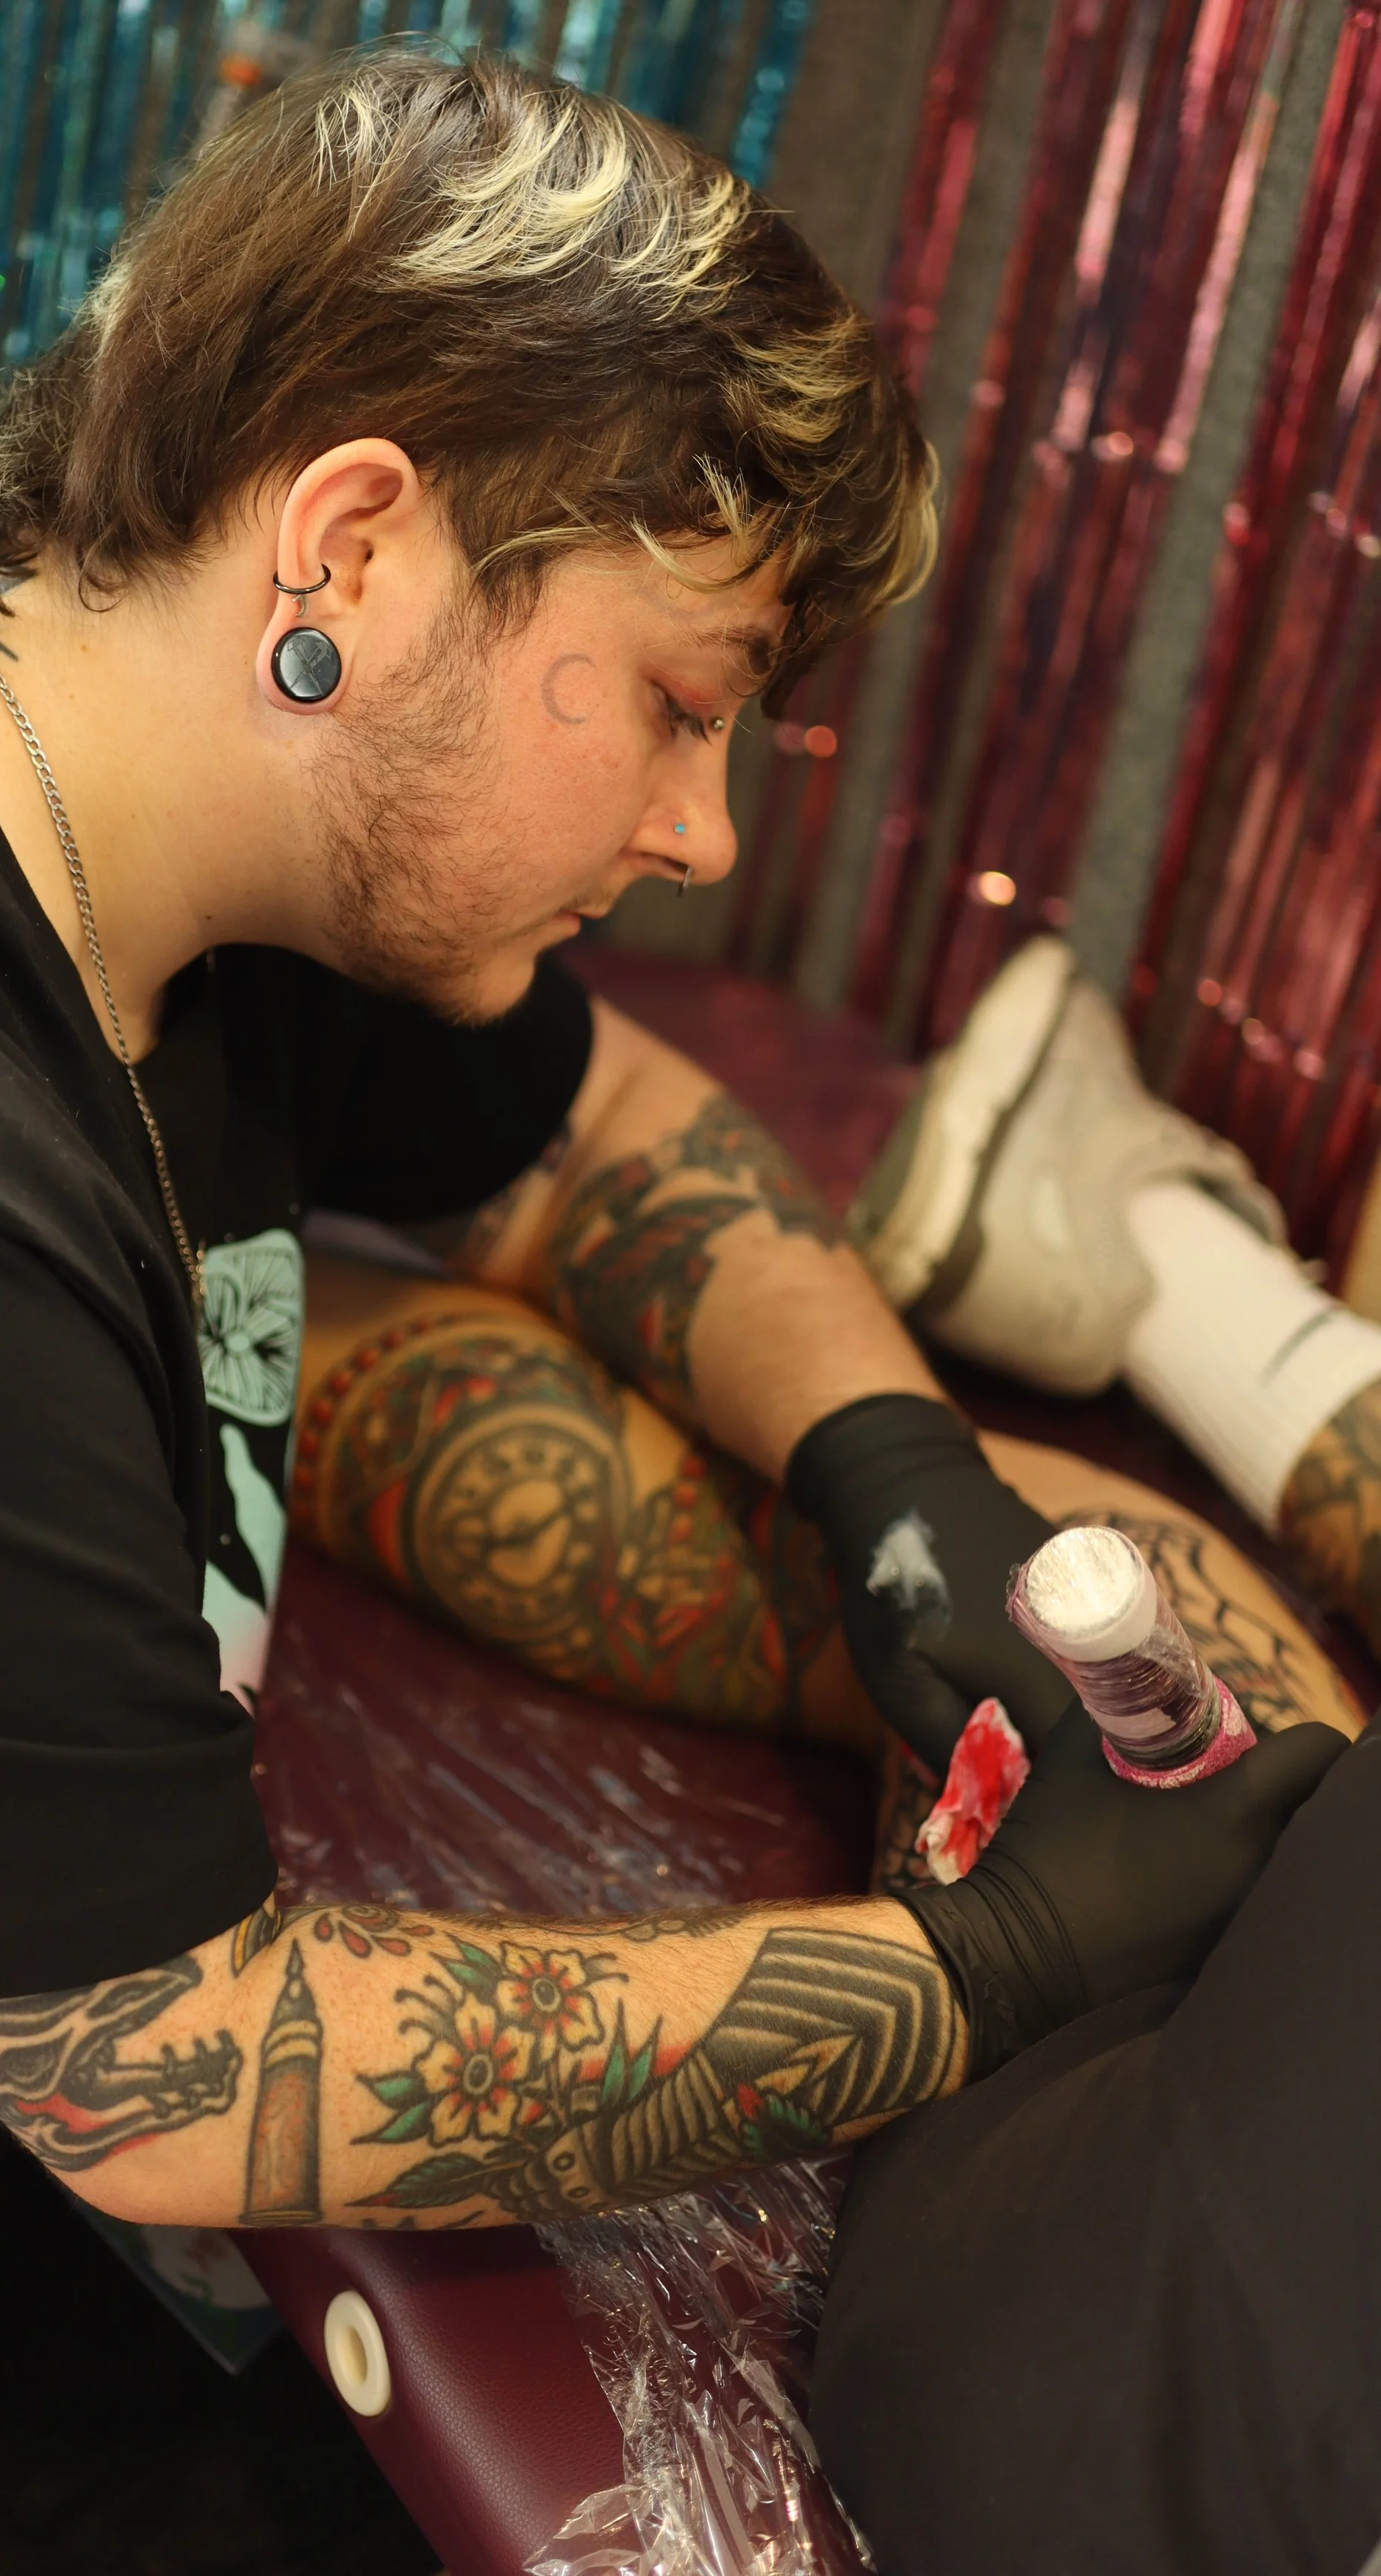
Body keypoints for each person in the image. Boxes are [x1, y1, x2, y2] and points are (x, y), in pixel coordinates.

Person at [0, 50, 1344, 2572]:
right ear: (362, 546)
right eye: (685, 704)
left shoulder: (139, 786)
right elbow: (168, 2069)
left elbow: (595, 1134)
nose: (703, 830)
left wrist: (888, 1475)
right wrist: (984, 1970)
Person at [289, 928, 1381, 2576]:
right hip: (1153, 2381)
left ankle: (189, 1305)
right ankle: (1164, 1278)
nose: (705, 840)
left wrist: (994, 1952)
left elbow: (132, 2063)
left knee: (1093, 1576)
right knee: (1074, 1589)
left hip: (1109, 2407)